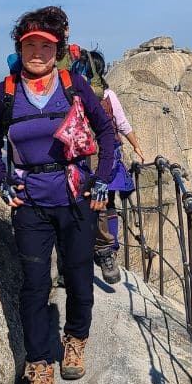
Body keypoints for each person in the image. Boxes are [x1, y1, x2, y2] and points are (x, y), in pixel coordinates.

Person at [0, 6, 115, 384]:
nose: (37, 51)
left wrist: (104, 178)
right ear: (19, 48)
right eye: (29, 44)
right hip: (30, 203)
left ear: (56, 48)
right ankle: (40, 366)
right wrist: (1, 181)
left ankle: (75, 340)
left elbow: (106, 131)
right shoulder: (6, 91)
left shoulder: (73, 84)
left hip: (75, 198)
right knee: (34, 285)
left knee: (77, 276)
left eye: (45, 45)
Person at [74, 50, 145, 283]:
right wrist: (136, 147)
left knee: (104, 202)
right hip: (92, 156)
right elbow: (123, 124)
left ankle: (106, 249)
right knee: (100, 202)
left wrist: (136, 146)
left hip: (102, 156)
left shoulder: (105, 95)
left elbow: (121, 123)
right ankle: (102, 249)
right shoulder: (80, 94)